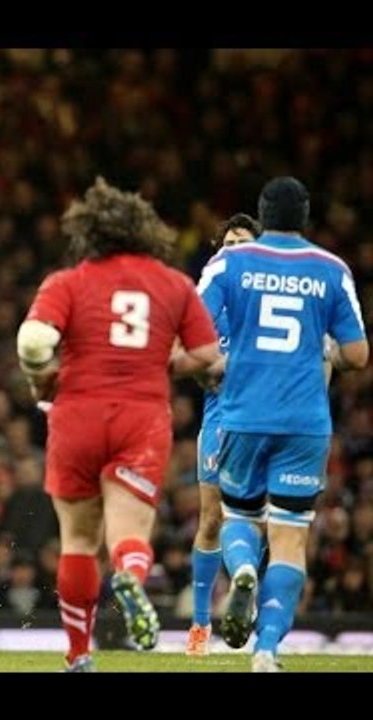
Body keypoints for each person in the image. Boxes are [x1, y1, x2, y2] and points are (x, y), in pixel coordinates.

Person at [16, 178, 220, 672]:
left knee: (79, 542)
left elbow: (34, 344)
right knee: (129, 533)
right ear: (147, 231)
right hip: (141, 417)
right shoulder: (175, 284)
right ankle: (130, 572)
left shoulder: (66, 282)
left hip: (76, 414)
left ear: (88, 231)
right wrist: (162, 363)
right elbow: (211, 358)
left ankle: (79, 654)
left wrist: (40, 381)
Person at [197, 176, 368, 671]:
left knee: (239, 519)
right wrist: (321, 348)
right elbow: (357, 354)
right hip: (304, 423)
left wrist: (215, 365)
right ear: (306, 216)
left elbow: (198, 333)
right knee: (291, 537)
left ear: (263, 215)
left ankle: (244, 568)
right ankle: (266, 651)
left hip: (243, 417)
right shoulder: (331, 270)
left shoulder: (228, 262)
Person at [186, 212, 261, 656]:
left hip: (263, 419)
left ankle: (247, 598)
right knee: (212, 519)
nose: (232, 248)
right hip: (219, 419)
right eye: (227, 242)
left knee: (259, 523)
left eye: (242, 242)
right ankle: (199, 627)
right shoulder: (211, 294)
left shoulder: (265, 296)